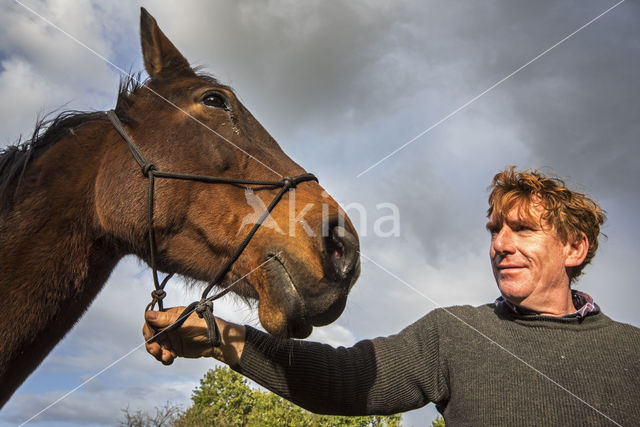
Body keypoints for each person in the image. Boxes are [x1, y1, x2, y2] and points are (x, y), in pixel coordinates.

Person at [143, 167, 640, 425]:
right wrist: (217, 337)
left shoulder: (631, 353)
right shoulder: (454, 334)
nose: (501, 245)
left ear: (575, 247)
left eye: (523, 230)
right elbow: (343, 379)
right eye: (495, 230)